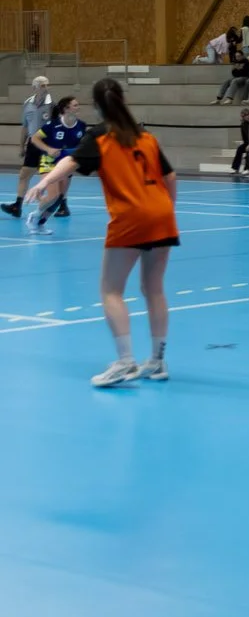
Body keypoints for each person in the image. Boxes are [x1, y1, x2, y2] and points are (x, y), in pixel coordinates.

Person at [24, 76, 177, 385]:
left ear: (96, 106)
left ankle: (125, 362)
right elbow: (171, 177)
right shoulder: (145, 137)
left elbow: (70, 162)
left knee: (111, 290)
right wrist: (164, 210)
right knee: (154, 289)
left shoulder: (100, 137)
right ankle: (158, 361)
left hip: (130, 217)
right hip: (162, 214)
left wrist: (42, 181)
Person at [2, 74, 54, 216]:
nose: (46, 88)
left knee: (50, 178)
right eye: (42, 85)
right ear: (34, 88)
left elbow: (57, 127)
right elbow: (25, 127)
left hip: (47, 145)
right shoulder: (27, 104)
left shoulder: (52, 104)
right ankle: (17, 206)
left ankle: (61, 205)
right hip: (32, 145)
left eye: (47, 85)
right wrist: (21, 146)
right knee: (24, 175)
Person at [30, 94, 86, 222]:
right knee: (53, 196)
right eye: (75, 105)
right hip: (49, 162)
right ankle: (35, 215)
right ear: (66, 109)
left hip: (67, 164)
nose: (78, 107)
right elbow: (34, 138)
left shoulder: (81, 126)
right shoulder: (52, 125)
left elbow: (82, 144)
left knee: (58, 198)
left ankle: (40, 223)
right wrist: (48, 149)